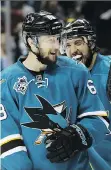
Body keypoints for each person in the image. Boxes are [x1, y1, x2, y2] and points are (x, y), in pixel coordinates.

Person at [0, 11, 110, 170]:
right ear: (32, 42)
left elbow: (99, 119)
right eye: (50, 40)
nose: (56, 46)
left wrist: (77, 135)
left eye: (57, 39)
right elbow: (8, 143)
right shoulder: (7, 82)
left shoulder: (76, 70)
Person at [63, 18, 111, 170]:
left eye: (78, 43)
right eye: (68, 45)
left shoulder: (108, 70)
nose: (73, 51)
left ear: (90, 43)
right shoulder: (65, 76)